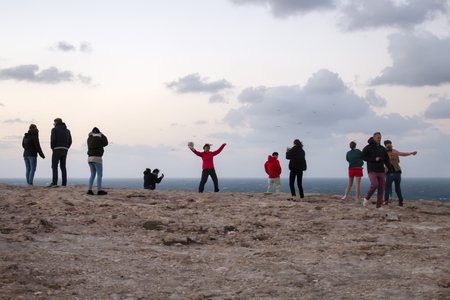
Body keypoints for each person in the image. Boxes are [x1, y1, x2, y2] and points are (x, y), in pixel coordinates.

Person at [361, 132, 394, 209]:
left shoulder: (382, 149)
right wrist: (373, 159)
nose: (379, 139)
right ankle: (367, 198)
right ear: (374, 137)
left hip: (381, 170)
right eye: (378, 138)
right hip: (372, 169)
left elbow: (387, 160)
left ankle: (378, 206)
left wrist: (391, 170)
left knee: (381, 188)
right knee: (374, 184)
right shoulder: (368, 147)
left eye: (380, 138)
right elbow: (363, 157)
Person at [49, 118, 72, 187]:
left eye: (54, 123)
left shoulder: (54, 130)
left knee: (54, 166)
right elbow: (70, 141)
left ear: (56, 123)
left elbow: (53, 139)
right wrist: (66, 147)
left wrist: (52, 147)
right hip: (64, 149)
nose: (53, 124)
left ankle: (54, 182)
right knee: (63, 166)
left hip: (57, 149)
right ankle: (64, 183)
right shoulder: (67, 131)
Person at [87, 127, 108, 195]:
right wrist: (102, 135)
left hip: (90, 158)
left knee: (92, 174)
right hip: (97, 158)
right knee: (99, 174)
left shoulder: (89, 138)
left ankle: (89, 190)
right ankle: (99, 190)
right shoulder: (99, 139)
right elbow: (106, 142)